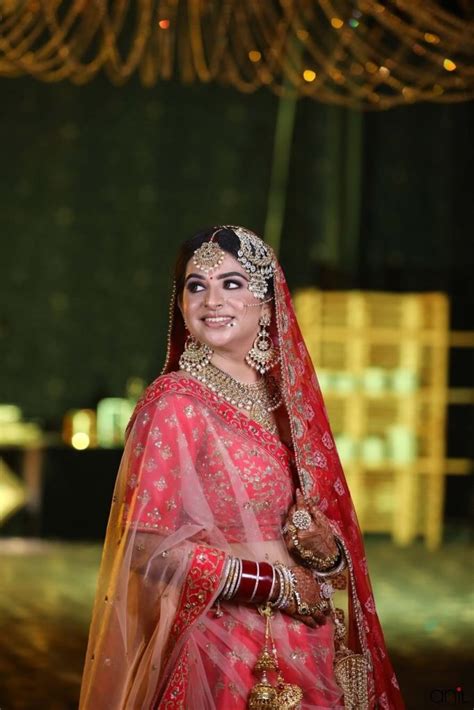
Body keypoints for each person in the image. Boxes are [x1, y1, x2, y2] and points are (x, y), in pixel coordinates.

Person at [79, 226, 404, 709]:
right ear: (181, 303)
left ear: (267, 304)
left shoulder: (287, 408)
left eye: (232, 283)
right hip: (221, 651)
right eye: (196, 285)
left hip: (306, 645)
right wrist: (278, 584)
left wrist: (325, 553)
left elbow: (323, 541)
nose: (212, 299)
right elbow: (149, 551)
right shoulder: (175, 405)